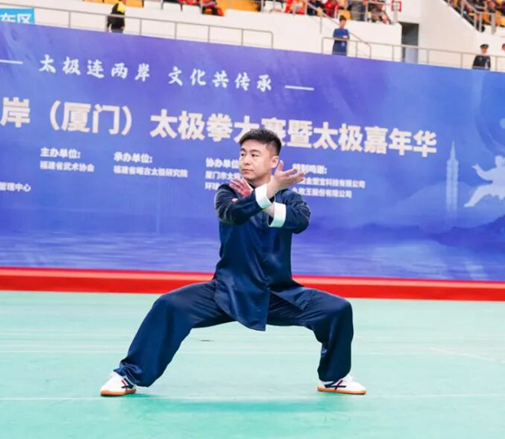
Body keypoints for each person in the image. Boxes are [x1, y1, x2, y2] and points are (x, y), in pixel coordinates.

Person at [100, 129, 367, 397]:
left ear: (273, 161)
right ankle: (127, 375)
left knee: (337, 310)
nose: (246, 160)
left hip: (278, 294)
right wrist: (267, 192)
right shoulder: (228, 192)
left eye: (254, 154)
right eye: (242, 154)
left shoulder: (289, 198)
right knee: (168, 306)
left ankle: (334, 378)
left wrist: (269, 197)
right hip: (227, 291)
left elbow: (300, 221)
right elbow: (233, 214)